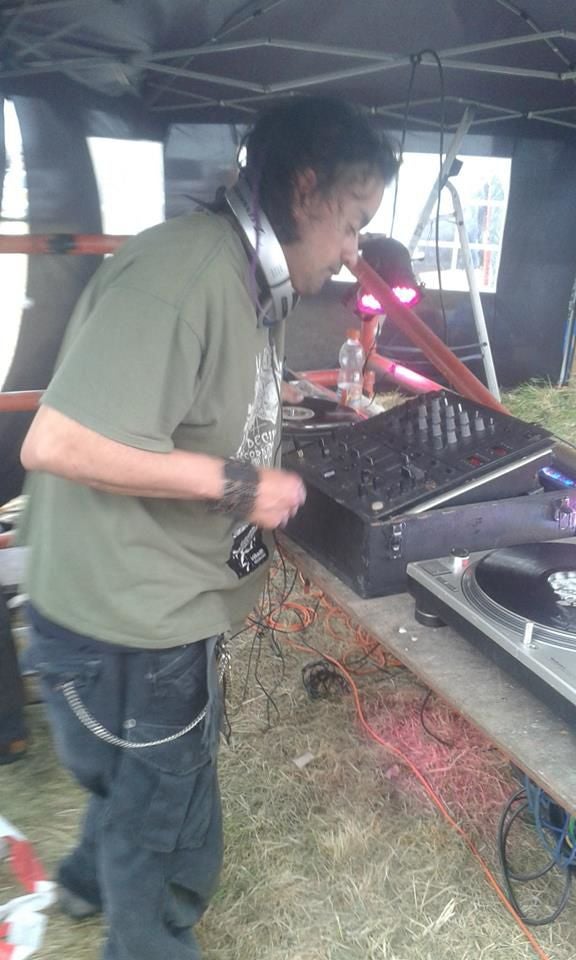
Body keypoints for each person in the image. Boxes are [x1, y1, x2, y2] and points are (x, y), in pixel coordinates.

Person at [18, 95, 398, 960]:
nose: (353, 252)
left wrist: (276, 420)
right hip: (130, 622)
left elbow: (193, 398)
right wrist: (241, 485)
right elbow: (57, 442)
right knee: (158, 816)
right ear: (305, 190)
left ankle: (85, 883)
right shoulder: (188, 274)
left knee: (142, 784)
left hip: (139, 606)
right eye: (352, 222)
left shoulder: (245, 274)